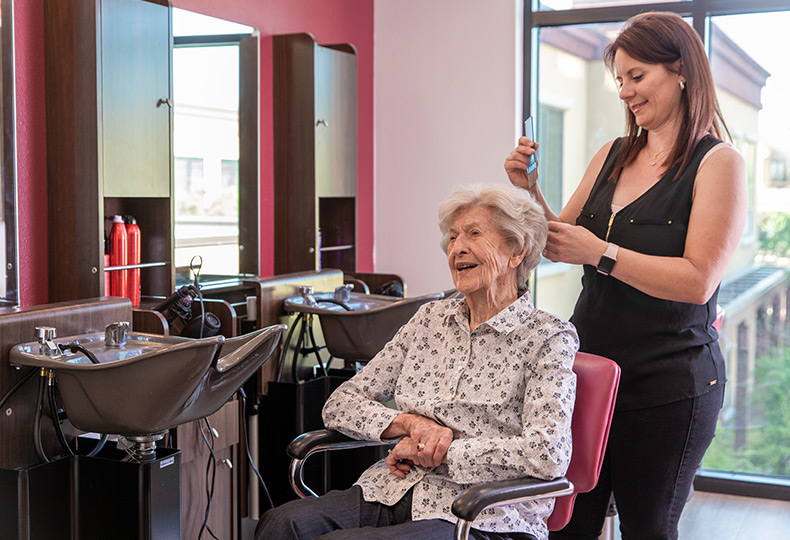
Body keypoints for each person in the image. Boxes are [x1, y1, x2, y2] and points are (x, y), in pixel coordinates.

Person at [504, 11, 747, 540]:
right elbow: (558, 245)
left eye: (637, 76)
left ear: (681, 70)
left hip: (668, 384)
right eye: (619, 80)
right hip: (587, 374)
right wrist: (529, 191)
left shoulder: (717, 163)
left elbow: (698, 281)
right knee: (568, 526)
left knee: (647, 529)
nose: (625, 92)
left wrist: (603, 253)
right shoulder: (612, 155)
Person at [255, 184, 579, 540]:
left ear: (517, 251)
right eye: (453, 237)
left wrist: (441, 452)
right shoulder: (429, 320)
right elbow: (340, 404)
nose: (458, 248)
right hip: (393, 489)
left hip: (482, 514)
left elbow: (547, 452)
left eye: (474, 234)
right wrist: (408, 425)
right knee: (280, 525)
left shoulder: (547, 337)